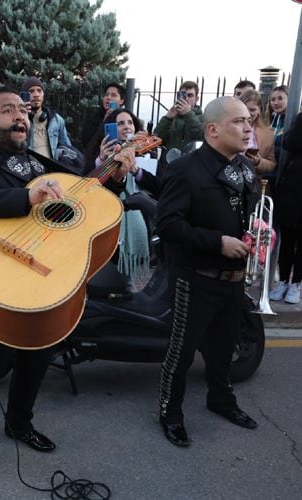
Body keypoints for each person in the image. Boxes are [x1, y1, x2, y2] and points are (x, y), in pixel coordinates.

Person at [0, 88, 132, 481]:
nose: (20, 117)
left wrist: (112, 178)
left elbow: (83, 197)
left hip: (41, 278)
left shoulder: (39, 162)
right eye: (8, 110)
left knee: (39, 356)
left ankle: (19, 423)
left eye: (23, 111)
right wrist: (24, 197)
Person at [156, 96, 259, 448]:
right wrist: (218, 242)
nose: (248, 128)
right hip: (194, 279)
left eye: (249, 120)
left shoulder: (244, 169)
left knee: (223, 347)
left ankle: (221, 400)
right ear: (213, 129)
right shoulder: (185, 169)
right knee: (182, 352)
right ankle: (170, 413)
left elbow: (242, 217)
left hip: (233, 281)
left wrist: (256, 232)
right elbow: (167, 225)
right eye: (239, 122)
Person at [85, 108, 157, 280]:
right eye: (120, 123)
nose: (126, 127)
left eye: (130, 122)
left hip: (141, 220)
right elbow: (86, 185)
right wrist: (101, 160)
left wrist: (136, 170)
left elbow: (160, 186)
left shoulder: (150, 153)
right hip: (105, 222)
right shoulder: (99, 153)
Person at [270, 111, 302, 304]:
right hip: (293, 189)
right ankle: (283, 280)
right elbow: (288, 142)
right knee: (287, 239)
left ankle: (296, 283)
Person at [21, 76, 78, 167]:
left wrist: (62, 158)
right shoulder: (20, 119)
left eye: (39, 90)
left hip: (51, 169)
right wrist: (22, 114)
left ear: (43, 94)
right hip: (29, 169)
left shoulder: (56, 120)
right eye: (31, 91)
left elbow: (67, 147)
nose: (36, 94)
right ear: (25, 95)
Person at [154, 80, 204, 154]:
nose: (186, 98)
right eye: (183, 95)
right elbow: (156, 140)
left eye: (190, 95)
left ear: (196, 99)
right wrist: (167, 119)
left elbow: (203, 138)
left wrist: (188, 114)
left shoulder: (203, 118)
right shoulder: (172, 117)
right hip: (169, 163)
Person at [238, 89, 276, 178]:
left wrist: (259, 162)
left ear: (259, 110)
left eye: (252, 109)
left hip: (254, 182)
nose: (248, 113)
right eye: (244, 109)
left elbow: (272, 164)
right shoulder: (228, 129)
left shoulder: (268, 134)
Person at [81, 82, 126, 149]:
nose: (108, 97)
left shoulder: (126, 118)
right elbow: (86, 143)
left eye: (113, 95)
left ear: (121, 101)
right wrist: (104, 122)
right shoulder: (93, 118)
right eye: (106, 95)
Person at [266, 85, 288, 165]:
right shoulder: (271, 120)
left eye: (280, 98)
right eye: (273, 99)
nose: (276, 103)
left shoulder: (295, 121)